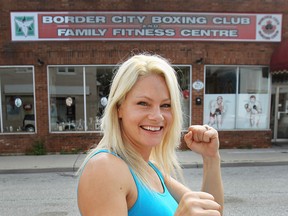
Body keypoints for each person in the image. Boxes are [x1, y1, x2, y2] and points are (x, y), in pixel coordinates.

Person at [77, 53, 224, 216]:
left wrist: (211, 158)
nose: (157, 116)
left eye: (166, 105)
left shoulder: (151, 168)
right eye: (143, 103)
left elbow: (211, 211)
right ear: (119, 108)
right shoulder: (104, 168)